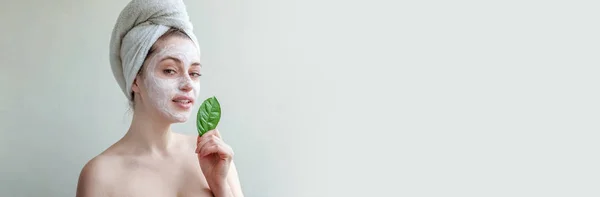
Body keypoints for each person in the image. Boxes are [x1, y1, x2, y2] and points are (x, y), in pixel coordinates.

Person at [76, 0, 244, 196]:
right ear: (135, 80)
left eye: (195, 73)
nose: (188, 84)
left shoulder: (212, 154)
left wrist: (220, 185)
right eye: (170, 70)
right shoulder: (100, 175)